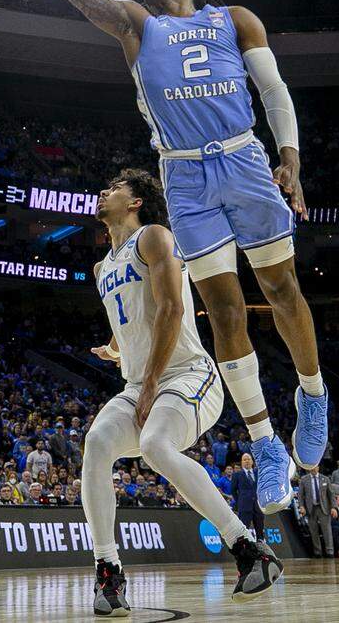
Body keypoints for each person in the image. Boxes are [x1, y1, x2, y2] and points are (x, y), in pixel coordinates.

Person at [0, 0, 328, 518]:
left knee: (281, 287)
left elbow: (273, 90)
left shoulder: (236, 19)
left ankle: (313, 393)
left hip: (245, 159)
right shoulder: (139, 24)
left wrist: (291, 158)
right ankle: (266, 443)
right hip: (185, 174)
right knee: (221, 307)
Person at [83, 169, 281, 615]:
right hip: (140, 382)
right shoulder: (101, 267)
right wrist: (116, 351)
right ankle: (108, 571)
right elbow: (131, 318)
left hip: (189, 375)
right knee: (96, 445)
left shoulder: (153, 237)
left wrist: (151, 381)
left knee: (154, 444)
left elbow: (171, 306)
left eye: (113, 187)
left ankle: (249, 549)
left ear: (134, 202)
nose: (103, 191)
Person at [298, 465, 333, 558]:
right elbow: (300, 495)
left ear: (318, 468)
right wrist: (301, 506)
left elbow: (331, 495)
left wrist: (334, 507)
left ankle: (330, 551)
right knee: (314, 531)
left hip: (324, 508)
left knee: (327, 530)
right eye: (312, 467)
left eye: (315, 467)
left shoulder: (325, 479)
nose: (313, 468)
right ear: (309, 468)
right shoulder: (304, 479)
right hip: (310, 508)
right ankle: (318, 552)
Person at [230, 453, 264, 539]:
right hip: (244, 507)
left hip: (258, 506)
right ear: (242, 463)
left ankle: (262, 545)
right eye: (244, 460)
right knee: (244, 530)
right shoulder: (236, 475)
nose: (247, 461)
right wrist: (240, 501)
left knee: (260, 530)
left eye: (248, 459)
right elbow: (233, 491)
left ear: (252, 461)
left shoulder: (258, 473)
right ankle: (245, 547)